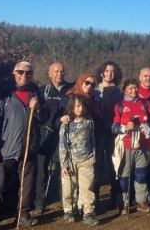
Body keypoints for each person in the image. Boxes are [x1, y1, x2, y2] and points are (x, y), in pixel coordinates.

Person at [0, 62, 50, 230]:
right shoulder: (4, 94)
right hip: (6, 148)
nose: (24, 75)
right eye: (20, 72)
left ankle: (23, 215)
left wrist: (37, 109)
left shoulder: (37, 94)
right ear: (14, 73)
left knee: (27, 184)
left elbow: (44, 118)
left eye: (28, 72)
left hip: (29, 148)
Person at [111, 79, 150, 214]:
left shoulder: (145, 103)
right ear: (125, 90)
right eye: (130, 88)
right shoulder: (120, 105)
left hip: (144, 145)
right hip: (126, 145)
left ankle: (141, 201)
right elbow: (113, 127)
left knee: (141, 174)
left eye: (135, 88)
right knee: (124, 176)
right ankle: (124, 203)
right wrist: (125, 127)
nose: (133, 91)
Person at [56, 74, 102, 211]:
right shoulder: (68, 98)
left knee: (87, 183)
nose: (89, 86)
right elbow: (56, 122)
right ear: (80, 82)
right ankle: (70, 209)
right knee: (70, 185)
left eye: (93, 85)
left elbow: (94, 132)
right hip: (70, 154)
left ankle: (87, 209)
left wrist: (94, 152)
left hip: (87, 152)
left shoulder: (91, 102)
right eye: (87, 83)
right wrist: (61, 119)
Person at [35, 62, 73, 214]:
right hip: (45, 134)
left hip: (66, 134)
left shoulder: (71, 89)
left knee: (64, 169)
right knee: (41, 170)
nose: (60, 74)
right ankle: (39, 204)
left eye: (62, 71)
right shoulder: (42, 90)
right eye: (56, 71)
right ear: (49, 73)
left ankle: (65, 200)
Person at [59, 94, 99, 226]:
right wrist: (64, 164)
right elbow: (62, 144)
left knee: (87, 187)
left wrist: (93, 154)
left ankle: (89, 213)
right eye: (77, 106)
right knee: (69, 188)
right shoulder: (66, 123)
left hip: (86, 160)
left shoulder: (89, 121)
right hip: (70, 162)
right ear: (71, 107)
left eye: (82, 106)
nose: (80, 109)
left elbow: (92, 138)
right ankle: (69, 210)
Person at [92, 61, 123, 210]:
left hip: (114, 133)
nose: (110, 73)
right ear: (102, 73)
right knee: (96, 166)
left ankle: (115, 198)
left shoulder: (119, 93)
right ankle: (95, 200)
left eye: (113, 71)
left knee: (115, 166)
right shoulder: (95, 91)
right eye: (107, 71)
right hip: (97, 134)